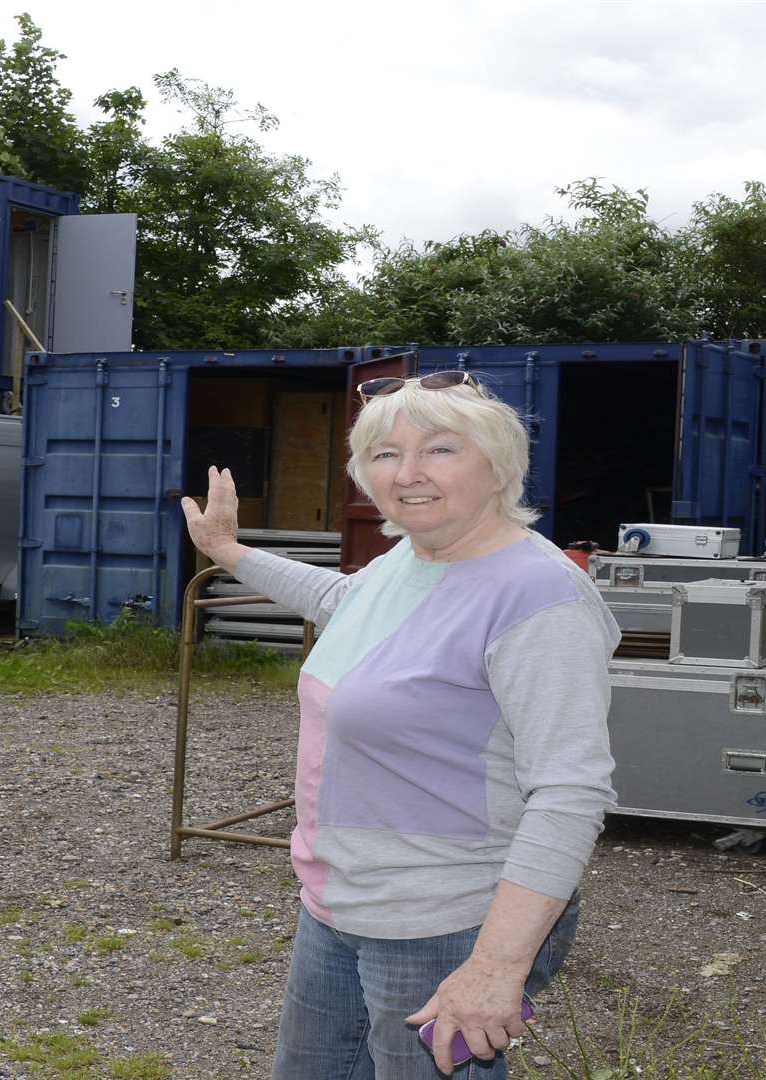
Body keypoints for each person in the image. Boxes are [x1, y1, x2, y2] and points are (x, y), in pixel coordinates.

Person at [181, 371, 619, 1078]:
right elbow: (345, 599)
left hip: (445, 925)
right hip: (339, 904)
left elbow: (570, 792)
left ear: (499, 463)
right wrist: (231, 554)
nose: (408, 473)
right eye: (385, 453)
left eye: (440, 450)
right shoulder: (412, 559)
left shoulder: (539, 597)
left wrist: (494, 969)